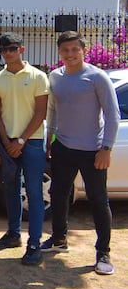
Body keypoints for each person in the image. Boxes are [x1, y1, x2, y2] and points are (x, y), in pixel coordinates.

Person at [42, 31, 119, 275]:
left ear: (83, 50)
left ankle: (103, 252)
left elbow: (112, 115)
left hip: (92, 150)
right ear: (59, 52)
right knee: (58, 194)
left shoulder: (97, 77)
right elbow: (52, 110)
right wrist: (50, 138)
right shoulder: (55, 76)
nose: (70, 54)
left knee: (98, 201)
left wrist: (106, 148)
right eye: (65, 50)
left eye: (75, 49)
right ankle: (58, 239)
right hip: (63, 147)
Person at [0, 32, 49, 266]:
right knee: (10, 189)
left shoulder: (38, 76)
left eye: (12, 48)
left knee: (34, 193)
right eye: (4, 50)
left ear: (22, 49)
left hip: (31, 141)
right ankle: (13, 234)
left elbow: (40, 113)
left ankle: (34, 243)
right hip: (8, 141)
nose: (8, 53)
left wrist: (21, 141)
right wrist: (6, 142)